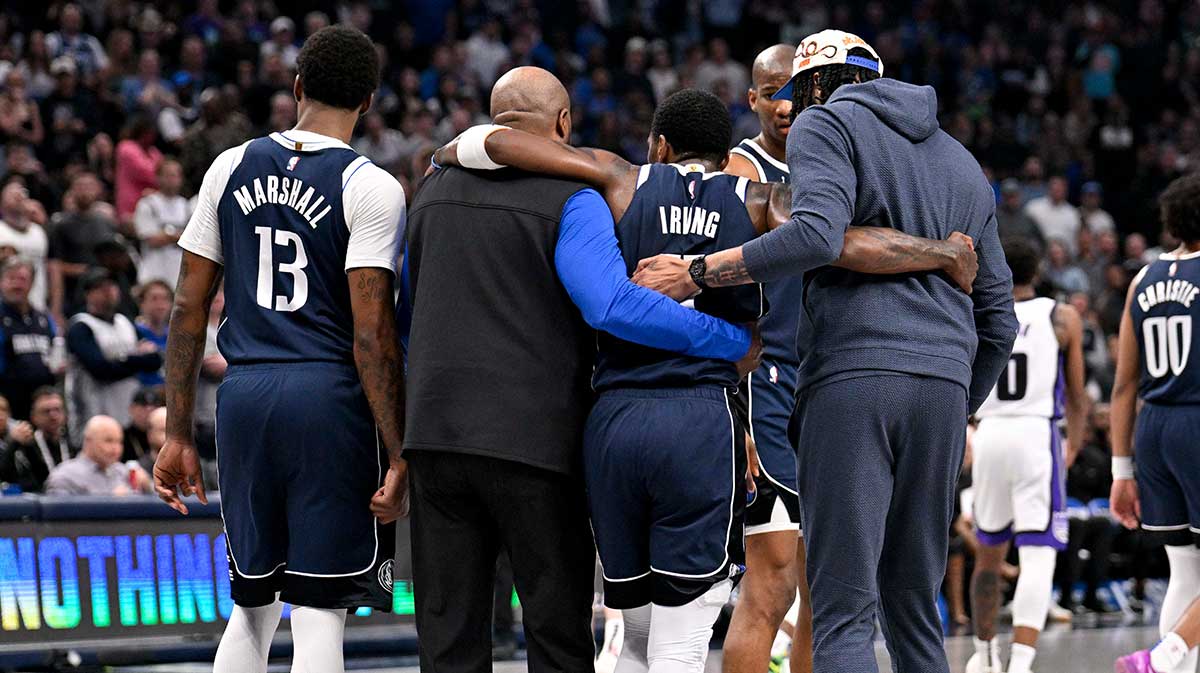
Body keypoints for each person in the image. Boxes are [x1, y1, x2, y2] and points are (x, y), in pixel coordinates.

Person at [435, 77, 977, 673]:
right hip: (700, 418)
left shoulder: (620, 180)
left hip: (614, 419)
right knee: (683, 639)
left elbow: (502, 144)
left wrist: (447, 151)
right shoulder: (760, 200)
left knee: (634, 635)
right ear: (727, 155)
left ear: (659, 145)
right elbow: (843, 244)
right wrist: (938, 252)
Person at [627, 30, 1017, 673]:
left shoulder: (826, 125)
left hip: (853, 376)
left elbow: (813, 234)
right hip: (944, 388)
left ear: (815, 85)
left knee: (840, 609)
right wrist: (953, 397)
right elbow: (997, 318)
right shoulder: (962, 163)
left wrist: (697, 273)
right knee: (916, 610)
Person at [406, 68, 751, 673]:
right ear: (563, 124)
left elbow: (404, 311)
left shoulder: (430, 192)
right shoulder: (576, 198)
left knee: (448, 638)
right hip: (536, 442)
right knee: (556, 634)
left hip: (435, 435)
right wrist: (726, 337)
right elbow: (611, 304)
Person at [152, 26, 407, 673]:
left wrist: (176, 430)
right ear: (369, 102)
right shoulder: (370, 185)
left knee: (254, 602)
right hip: (326, 398)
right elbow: (372, 334)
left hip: (243, 395)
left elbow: (186, 309)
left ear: (296, 87)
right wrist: (402, 451)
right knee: (320, 612)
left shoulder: (227, 166)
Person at [723, 43, 813, 673]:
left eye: (796, 88)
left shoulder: (831, 161)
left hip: (822, 382)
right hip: (766, 384)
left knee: (826, 587)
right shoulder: (742, 169)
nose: (786, 103)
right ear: (753, 98)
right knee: (773, 582)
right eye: (773, 90)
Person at [967, 238, 1089, 673]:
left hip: (990, 433)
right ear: (1037, 271)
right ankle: (1020, 663)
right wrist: (1072, 444)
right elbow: (1077, 396)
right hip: (1036, 434)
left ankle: (983, 657)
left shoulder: (979, 312)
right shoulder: (1062, 317)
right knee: (1039, 554)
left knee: (987, 555)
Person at [1111, 173, 1200, 673]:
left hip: (1153, 429)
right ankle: (1163, 657)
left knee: (1184, 568)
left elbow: (1124, 384)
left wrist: (1122, 469)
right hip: (1196, 419)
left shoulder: (1142, 280)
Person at [64, 268, 162, 439]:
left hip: (128, 411)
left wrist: (122, 361)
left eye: (111, 286)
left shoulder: (124, 322)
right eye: (100, 287)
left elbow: (155, 360)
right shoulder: (81, 326)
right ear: (88, 294)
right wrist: (136, 358)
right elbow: (101, 369)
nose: (108, 291)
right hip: (94, 411)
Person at [0, 258, 59, 420]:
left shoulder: (44, 318)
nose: (17, 285)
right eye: (11, 279)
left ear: (32, 284)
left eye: (22, 279)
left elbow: (56, 353)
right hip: (8, 408)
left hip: (42, 407)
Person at [44, 414, 151, 496]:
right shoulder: (65, 476)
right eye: (108, 441)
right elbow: (59, 520)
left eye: (119, 442)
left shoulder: (123, 472)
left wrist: (148, 487)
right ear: (88, 441)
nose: (116, 448)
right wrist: (110, 501)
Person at [133, 158, 189, 285]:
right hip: (153, 272)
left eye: (175, 175)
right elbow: (152, 239)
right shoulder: (147, 204)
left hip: (179, 273)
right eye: (168, 175)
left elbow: (195, 241)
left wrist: (167, 235)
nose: (172, 180)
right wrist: (180, 236)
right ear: (158, 177)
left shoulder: (186, 206)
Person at [0, 179, 50, 311]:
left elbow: (48, 267)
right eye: (12, 194)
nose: (18, 196)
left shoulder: (39, 231)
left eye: (21, 193)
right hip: (5, 307)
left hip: (38, 303)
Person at [1024, 176, 1080, 256]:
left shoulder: (1073, 213)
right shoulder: (1033, 208)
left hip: (1065, 260)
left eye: (1060, 188)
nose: (1057, 190)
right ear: (1048, 188)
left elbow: (1075, 242)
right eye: (1054, 187)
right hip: (1038, 256)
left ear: (1065, 190)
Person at [133, 279, 172, 386]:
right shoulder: (133, 332)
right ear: (142, 303)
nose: (160, 305)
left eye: (165, 299)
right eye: (154, 299)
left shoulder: (175, 337)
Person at [122, 386, 163, 467]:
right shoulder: (123, 436)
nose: (149, 412)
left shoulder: (166, 436)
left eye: (153, 408)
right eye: (143, 407)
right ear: (132, 409)